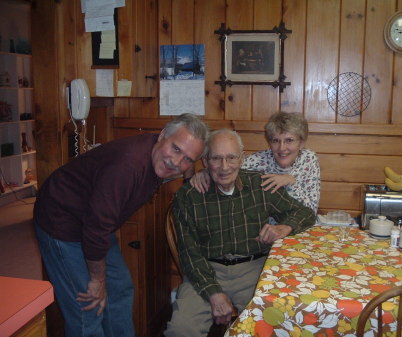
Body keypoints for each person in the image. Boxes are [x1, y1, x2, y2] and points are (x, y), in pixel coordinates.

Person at [33, 113, 209, 337]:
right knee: (88, 308)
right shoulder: (129, 166)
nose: (176, 162)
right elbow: (96, 228)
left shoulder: (162, 154)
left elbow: (185, 156)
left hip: (95, 223)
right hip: (61, 220)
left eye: (187, 159)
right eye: (175, 149)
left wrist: (189, 176)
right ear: (163, 135)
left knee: (120, 289)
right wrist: (97, 280)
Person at [164, 129, 315, 337]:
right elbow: (189, 254)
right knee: (181, 329)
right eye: (216, 158)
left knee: (280, 325)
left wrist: (284, 227)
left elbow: (304, 213)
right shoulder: (189, 196)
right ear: (206, 162)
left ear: (241, 158)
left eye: (231, 157)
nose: (225, 167)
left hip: (255, 269)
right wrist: (213, 293)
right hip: (206, 270)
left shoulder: (259, 185)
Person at [190, 112, 320, 214]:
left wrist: (291, 182)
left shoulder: (309, 160)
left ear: (301, 143)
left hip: (301, 226)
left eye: (289, 140)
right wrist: (205, 172)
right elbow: (229, 166)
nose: (282, 148)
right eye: (275, 141)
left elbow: (311, 210)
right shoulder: (258, 161)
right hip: (267, 233)